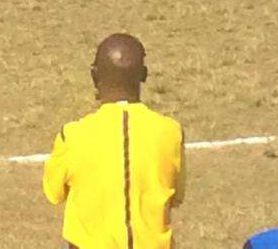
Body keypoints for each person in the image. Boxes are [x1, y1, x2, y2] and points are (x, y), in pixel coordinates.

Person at [43, 33, 185, 249]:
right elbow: (177, 196)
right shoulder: (171, 132)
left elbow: (54, 193)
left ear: (94, 76)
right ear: (144, 75)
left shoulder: (72, 136)